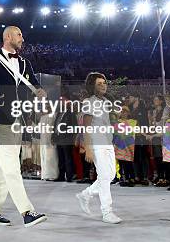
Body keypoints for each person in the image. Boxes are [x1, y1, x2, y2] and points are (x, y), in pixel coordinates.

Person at [0, 26, 47, 227]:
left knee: (2, 166)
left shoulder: (24, 63)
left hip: (17, 118)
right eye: (19, 35)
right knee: (11, 166)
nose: (22, 38)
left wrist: (39, 90)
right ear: (8, 37)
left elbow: (33, 83)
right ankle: (27, 211)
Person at [75, 72, 122, 224]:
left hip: (107, 143)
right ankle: (107, 212)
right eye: (99, 83)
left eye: (104, 82)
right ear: (92, 86)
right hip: (96, 143)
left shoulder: (106, 101)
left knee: (111, 175)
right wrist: (87, 147)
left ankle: (86, 194)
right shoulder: (89, 102)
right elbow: (86, 127)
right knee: (103, 176)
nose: (103, 85)